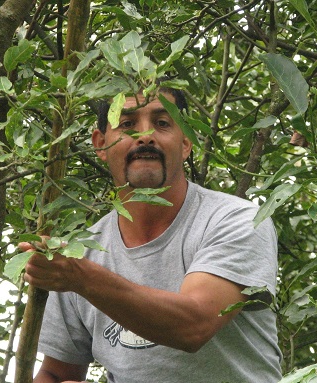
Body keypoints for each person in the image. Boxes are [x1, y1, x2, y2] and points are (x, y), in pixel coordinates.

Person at [20, 83, 283, 383]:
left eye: (162, 123)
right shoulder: (81, 251)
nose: (145, 136)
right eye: (127, 123)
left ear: (185, 143)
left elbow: (193, 326)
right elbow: (56, 372)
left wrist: (80, 277)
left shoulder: (238, 219)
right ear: (100, 144)